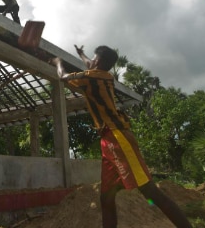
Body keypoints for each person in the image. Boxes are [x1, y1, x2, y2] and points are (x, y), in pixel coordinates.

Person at [50, 45, 192, 228]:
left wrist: (58, 61)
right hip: (108, 140)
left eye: (93, 60)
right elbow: (89, 64)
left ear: (98, 62)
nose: (90, 62)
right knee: (106, 197)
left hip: (118, 138)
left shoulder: (93, 76)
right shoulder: (101, 74)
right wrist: (81, 54)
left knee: (149, 190)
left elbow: (62, 77)